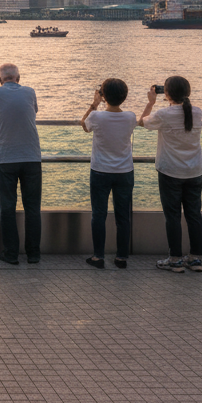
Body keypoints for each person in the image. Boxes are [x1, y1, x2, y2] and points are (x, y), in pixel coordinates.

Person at [0, 63, 41, 264]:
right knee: (32, 208)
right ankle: (33, 254)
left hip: (6, 158)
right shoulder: (30, 92)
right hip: (32, 157)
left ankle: (11, 253)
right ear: (18, 78)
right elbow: (33, 112)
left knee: (7, 207)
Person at [141, 76, 202, 273]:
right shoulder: (197, 112)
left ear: (166, 94)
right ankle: (195, 259)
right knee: (194, 215)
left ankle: (175, 259)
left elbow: (142, 122)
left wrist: (151, 102)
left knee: (173, 217)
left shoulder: (163, 114)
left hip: (170, 172)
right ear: (188, 92)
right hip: (195, 171)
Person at [81, 78, 137, 269]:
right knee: (123, 216)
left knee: (99, 214)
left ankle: (98, 257)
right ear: (124, 96)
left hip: (100, 171)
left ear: (103, 95)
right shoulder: (130, 117)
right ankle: (121, 257)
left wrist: (94, 104)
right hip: (124, 171)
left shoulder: (96, 116)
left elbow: (84, 125)